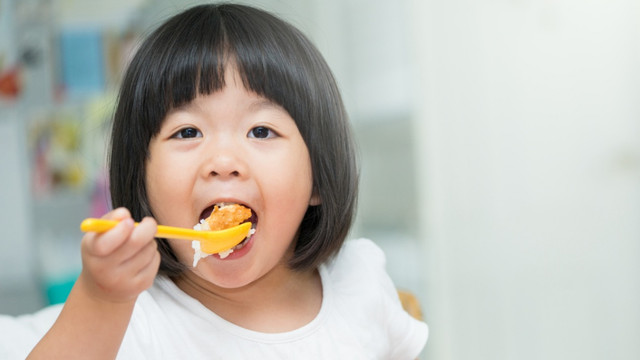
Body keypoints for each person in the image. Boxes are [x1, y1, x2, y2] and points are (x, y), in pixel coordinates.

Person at [1, 3, 428, 359]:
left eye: (261, 131)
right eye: (187, 132)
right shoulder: (132, 323)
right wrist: (100, 299)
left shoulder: (359, 280)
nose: (223, 162)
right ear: (141, 181)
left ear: (318, 177)